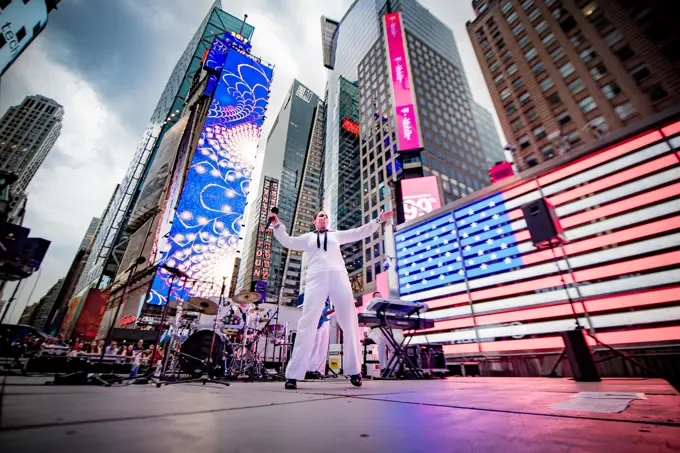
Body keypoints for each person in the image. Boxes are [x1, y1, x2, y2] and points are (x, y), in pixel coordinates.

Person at [269, 208, 394, 389]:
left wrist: (378, 220)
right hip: (316, 278)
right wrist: (277, 225)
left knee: (349, 320)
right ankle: (293, 374)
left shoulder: (336, 235)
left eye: (326, 215)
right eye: (321, 215)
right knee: (307, 322)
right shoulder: (308, 238)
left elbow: (358, 232)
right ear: (314, 221)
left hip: (339, 276)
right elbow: (288, 241)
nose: (324, 217)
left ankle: (355, 370)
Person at [366, 291, 404, 372]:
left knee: (395, 347)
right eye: (377, 297)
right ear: (373, 299)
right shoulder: (369, 307)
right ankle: (383, 368)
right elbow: (367, 320)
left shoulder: (385, 309)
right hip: (373, 331)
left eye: (380, 297)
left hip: (383, 331)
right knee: (381, 342)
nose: (379, 298)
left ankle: (392, 368)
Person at [307, 299, 333, 379]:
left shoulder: (330, 300)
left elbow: (328, 313)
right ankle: (310, 370)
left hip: (326, 324)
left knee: (323, 348)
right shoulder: (318, 296)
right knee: (315, 346)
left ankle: (320, 371)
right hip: (318, 324)